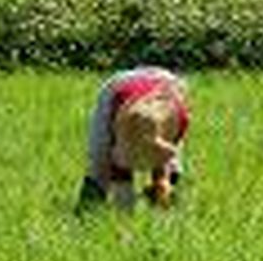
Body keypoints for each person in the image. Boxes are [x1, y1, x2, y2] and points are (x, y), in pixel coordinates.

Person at [77, 66, 190, 211]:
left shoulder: (180, 117)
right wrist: (124, 202)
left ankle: (164, 209)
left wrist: (162, 180)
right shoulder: (118, 109)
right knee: (99, 156)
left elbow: (165, 155)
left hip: (168, 85)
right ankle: (88, 210)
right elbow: (119, 157)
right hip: (120, 88)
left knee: (171, 169)